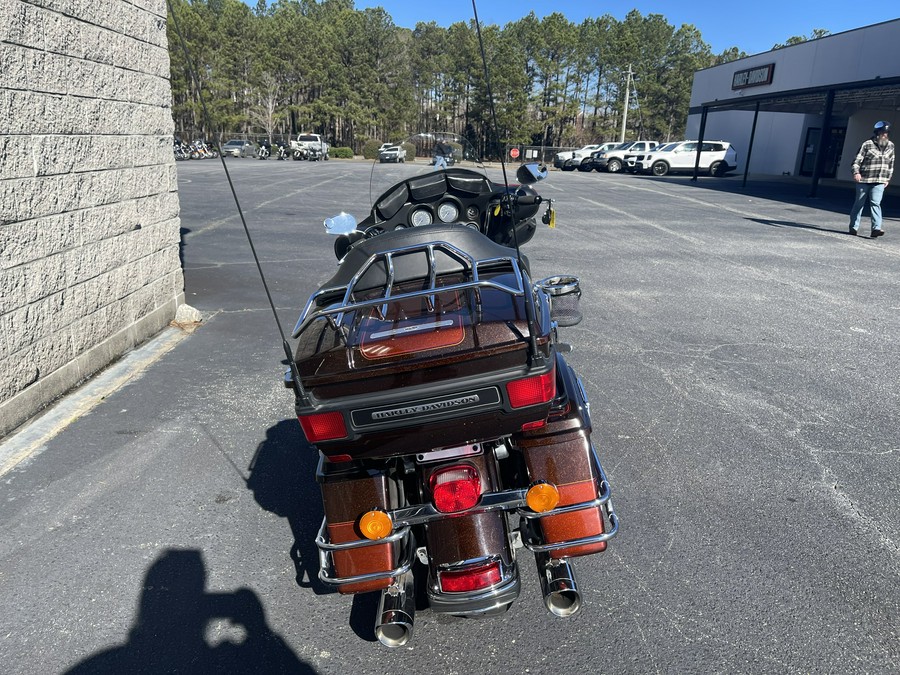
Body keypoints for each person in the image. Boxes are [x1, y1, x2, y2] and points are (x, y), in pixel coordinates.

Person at [848, 121, 894, 238]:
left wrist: (887, 178)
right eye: (882, 132)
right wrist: (856, 172)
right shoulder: (867, 144)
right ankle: (853, 226)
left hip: (880, 180)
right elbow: (857, 160)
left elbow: (891, 164)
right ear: (877, 133)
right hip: (864, 179)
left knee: (875, 203)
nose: (884, 135)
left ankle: (876, 228)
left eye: (886, 133)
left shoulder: (891, 146)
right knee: (859, 203)